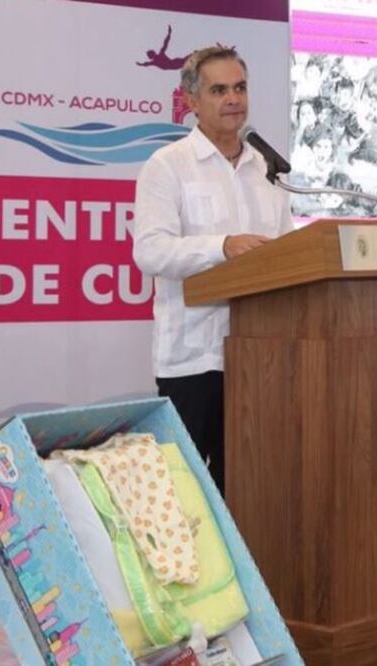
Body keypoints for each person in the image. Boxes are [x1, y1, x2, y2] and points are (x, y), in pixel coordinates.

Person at [132, 46, 291, 495]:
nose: (233, 99)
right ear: (192, 102)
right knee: (180, 490)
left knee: (243, 483)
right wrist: (223, 247)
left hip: (259, 356)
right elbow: (151, 251)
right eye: (219, 90)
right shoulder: (168, 166)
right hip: (192, 355)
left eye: (239, 88)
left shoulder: (268, 169)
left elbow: (286, 253)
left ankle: (237, 566)